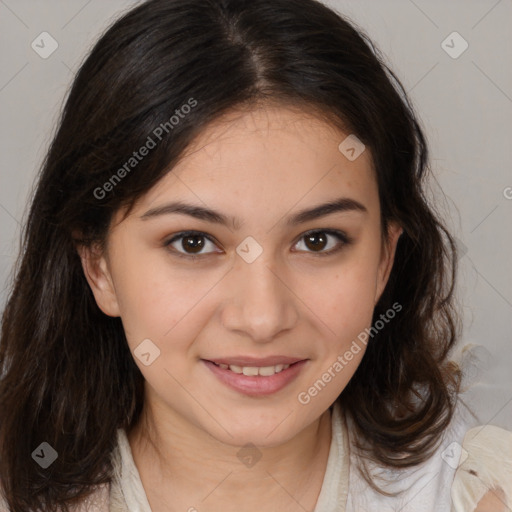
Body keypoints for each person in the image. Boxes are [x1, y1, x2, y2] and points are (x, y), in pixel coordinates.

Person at [0, 0, 510, 510]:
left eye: (318, 240)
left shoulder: (477, 495)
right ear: (99, 267)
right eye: (193, 242)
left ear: (384, 260)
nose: (263, 318)